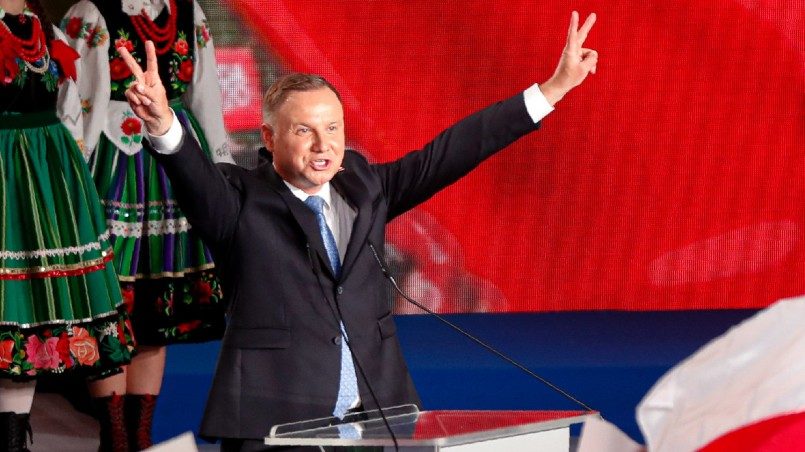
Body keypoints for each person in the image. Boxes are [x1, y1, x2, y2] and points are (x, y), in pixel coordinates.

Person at [118, 10, 598, 451]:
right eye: (303, 130)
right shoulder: (238, 199)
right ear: (269, 137)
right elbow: (193, 176)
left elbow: (452, 151)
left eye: (333, 128)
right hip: (275, 420)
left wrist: (552, 90)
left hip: (377, 416)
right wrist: (162, 123)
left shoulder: (364, 185)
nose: (323, 145)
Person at [59, 0, 232, 449]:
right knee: (111, 304)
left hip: (172, 160)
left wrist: (220, 168)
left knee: (156, 305)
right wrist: (76, 175)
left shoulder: (188, 10)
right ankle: (114, 435)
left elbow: (205, 94)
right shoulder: (94, 11)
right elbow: (79, 99)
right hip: (115, 161)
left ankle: (141, 435)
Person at [0, 0, 135, 450]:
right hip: (6, 173)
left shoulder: (43, 31)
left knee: (28, 313)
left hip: (47, 174)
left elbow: (71, 108)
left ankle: (13, 438)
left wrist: (71, 175)